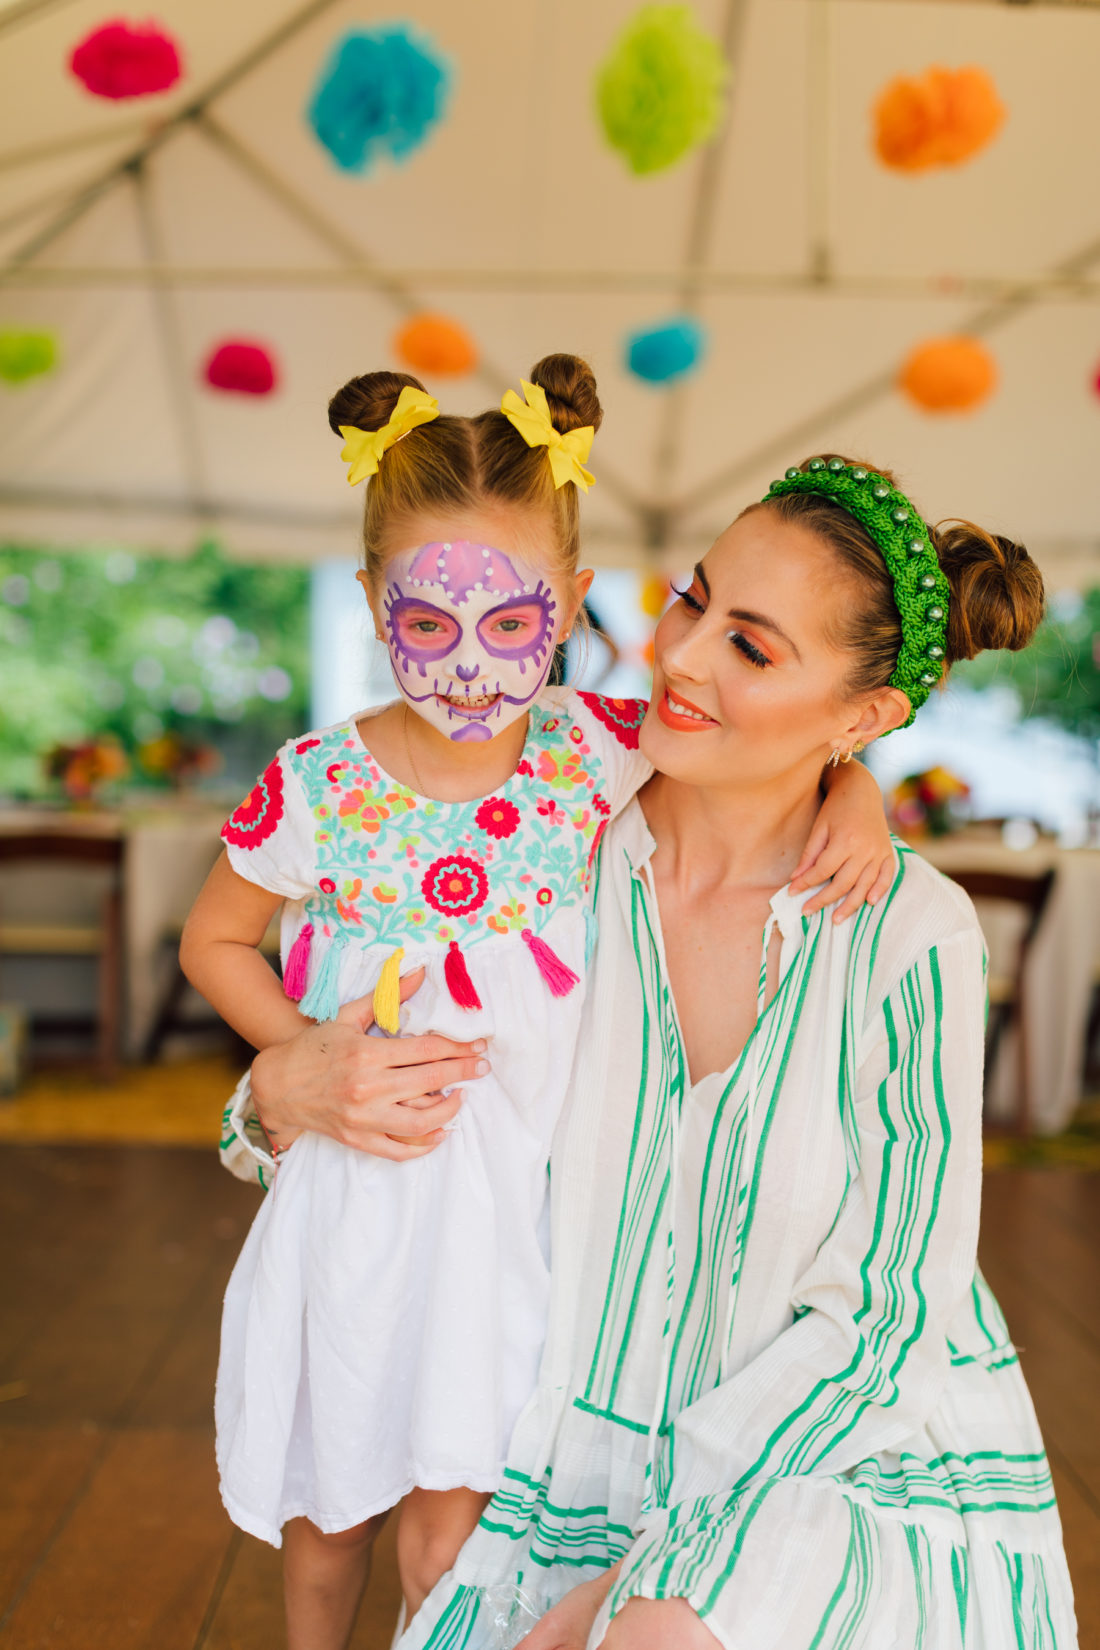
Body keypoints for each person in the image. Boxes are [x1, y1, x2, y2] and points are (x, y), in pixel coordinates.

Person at [231, 454, 1076, 1649]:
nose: (676, 654)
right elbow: (368, 1108)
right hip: (553, 1463)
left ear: (864, 719)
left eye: (751, 645)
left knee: (662, 1633)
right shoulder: (541, 857)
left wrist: (643, 1580)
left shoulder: (911, 934)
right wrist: (281, 1086)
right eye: (692, 599)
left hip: (839, 1460)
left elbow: (886, 1314)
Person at [182, 362, 892, 1650]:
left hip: (525, 1214)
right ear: (367, 603)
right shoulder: (317, 784)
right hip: (359, 1193)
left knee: (458, 1517)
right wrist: (304, 1052)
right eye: (423, 623)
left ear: (566, 602)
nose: (464, 667)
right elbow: (215, 938)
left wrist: (857, 788)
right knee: (330, 1507)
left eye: (509, 625)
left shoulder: (591, 747)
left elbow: (759, 752)